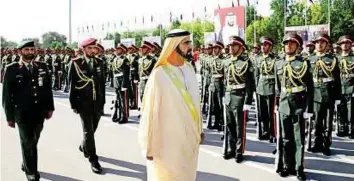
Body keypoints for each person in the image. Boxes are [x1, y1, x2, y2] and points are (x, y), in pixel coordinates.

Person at [138, 29, 204, 181]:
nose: (190, 46)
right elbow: (150, 113)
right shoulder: (159, 75)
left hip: (189, 140)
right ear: (174, 46)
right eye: (186, 42)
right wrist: (149, 145)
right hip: (168, 142)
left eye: (190, 42)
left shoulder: (189, 69)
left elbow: (195, 101)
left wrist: (199, 129)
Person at [2, 40, 54, 181]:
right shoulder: (12, 69)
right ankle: (31, 172)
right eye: (27, 50)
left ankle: (26, 161)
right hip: (22, 113)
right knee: (28, 142)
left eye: (32, 49)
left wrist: (50, 108)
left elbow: (47, 89)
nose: (30, 52)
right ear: (20, 52)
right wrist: (9, 116)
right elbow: (6, 95)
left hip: (39, 111)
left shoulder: (42, 66)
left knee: (34, 139)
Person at [274, 33, 313, 181]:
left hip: (298, 104)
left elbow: (310, 87)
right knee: (285, 138)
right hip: (284, 103)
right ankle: (287, 165)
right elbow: (278, 88)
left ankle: (298, 168)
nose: (288, 46)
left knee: (299, 140)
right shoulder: (278, 63)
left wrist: (308, 109)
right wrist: (277, 104)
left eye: (292, 43)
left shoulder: (304, 63)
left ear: (297, 46)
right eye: (286, 43)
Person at [68, 38, 105, 174]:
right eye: (89, 48)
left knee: (93, 127)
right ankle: (93, 158)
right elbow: (72, 85)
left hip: (97, 102)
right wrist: (73, 104)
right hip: (83, 103)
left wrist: (103, 102)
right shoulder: (76, 63)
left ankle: (84, 146)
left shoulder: (99, 62)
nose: (92, 50)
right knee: (88, 131)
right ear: (83, 49)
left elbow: (101, 84)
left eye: (94, 48)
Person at [307, 33, 341, 155]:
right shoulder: (309, 59)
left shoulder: (332, 59)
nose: (319, 44)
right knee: (316, 122)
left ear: (327, 45)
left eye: (322, 42)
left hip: (329, 93)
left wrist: (338, 96)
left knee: (328, 122)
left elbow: (337, 79)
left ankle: (326, 145)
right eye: (317, 42)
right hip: (315, 93)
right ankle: (317, 143)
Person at [223, 36, 254, 163]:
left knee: (239, 126)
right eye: (230, 45)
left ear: (240, 47)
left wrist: (247, 101)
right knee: (229, 125)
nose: (231, 48)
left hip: (240, 96)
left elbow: (250, 84)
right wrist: (225, 95)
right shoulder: (226, 61)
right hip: (229, 96)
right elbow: (225, 81)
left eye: (234, 45)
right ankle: (231, 148)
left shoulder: (246, 62)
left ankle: (239, 151)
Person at [254, 36, 278, 143]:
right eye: (262, 45)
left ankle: (273, 133)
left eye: (266, 45)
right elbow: (256, 75)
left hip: (271, 88)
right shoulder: (258, 58)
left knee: (271, 113)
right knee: (262, 112)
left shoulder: (275, 59)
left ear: (271, 47)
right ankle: (265, 131)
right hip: (260, 87)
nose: (263, 47)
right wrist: (256, 88)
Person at [336, 35, 354, 138]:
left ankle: (352, 130)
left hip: (351, 87)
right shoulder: (336, 58)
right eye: (343, 43)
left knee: (352, 111)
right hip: (340, 88)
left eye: (347, 43)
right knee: (340, 110)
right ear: (340, 45)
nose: (345, 45)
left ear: (350, 45)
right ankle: (342, 129)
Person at [207, 41, 225, 131]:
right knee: (214, 105)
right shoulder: (212, 59)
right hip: (213, 83)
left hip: (220, 84)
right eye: (213, 48)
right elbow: (210, 73)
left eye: (216, 48)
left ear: (220, 49)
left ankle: (222, 123)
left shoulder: (223, 60)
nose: (214, 50)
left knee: (220, 104)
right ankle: (216, 122)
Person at [111, 44, 130, 124]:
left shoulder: (125, 60)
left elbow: (126, 73)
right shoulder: (115, 59)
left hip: (122, 81)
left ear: (121, 50)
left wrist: (124, 85)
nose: (115, 51)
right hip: (116, 81)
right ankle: (119, 115)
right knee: (118, 100)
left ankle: (124, 117)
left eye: (117, 49)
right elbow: (113, 72)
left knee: (123, 101)